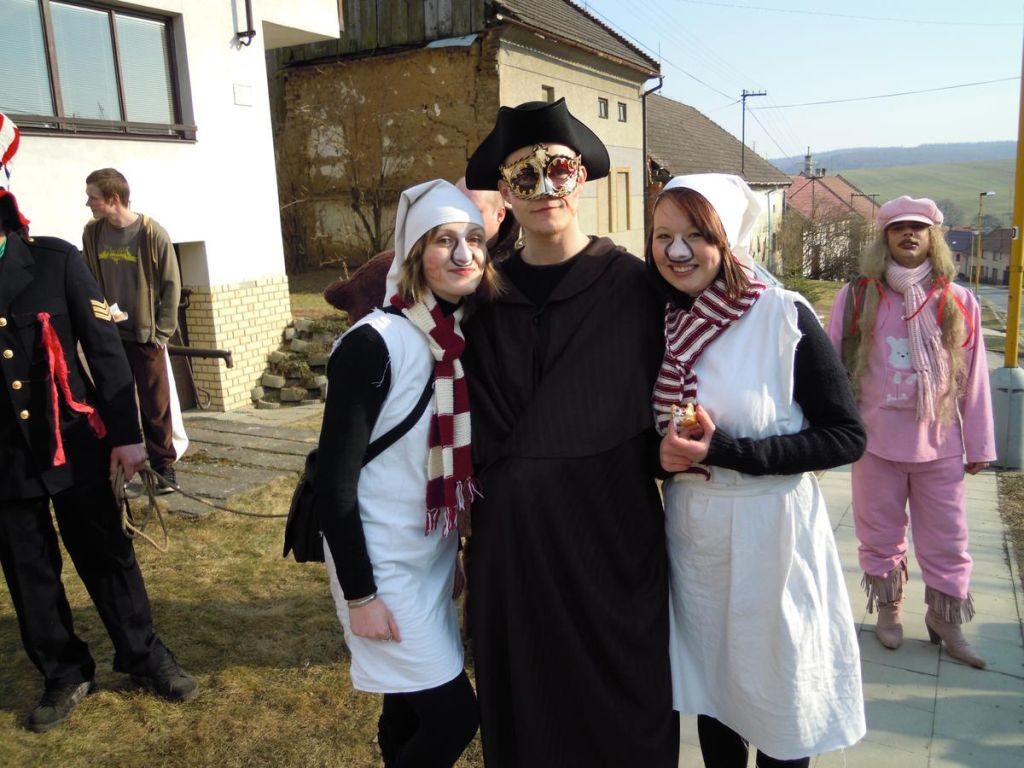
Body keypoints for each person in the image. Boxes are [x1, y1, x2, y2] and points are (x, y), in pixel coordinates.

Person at [460, 98, 676, 767]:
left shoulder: (635, 287)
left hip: (609, 535)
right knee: (528, 702)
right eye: (523, 176)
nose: (544, 188)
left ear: (580, 178)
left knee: (625, 704)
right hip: (514, 546)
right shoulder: (481, 298)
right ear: (504, 193)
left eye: (557, 170)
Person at [652, 174, 867, 767]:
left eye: (696, 234)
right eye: (663, 235)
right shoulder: (663, 322)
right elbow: (648, 432)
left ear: (727, 240)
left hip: (772, 536)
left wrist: (730, 452)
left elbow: (846, 436)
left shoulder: (781, 315)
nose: (677, 251)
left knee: (781, 698)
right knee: (716, 694)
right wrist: (661, 456)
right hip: (697, 538)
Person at [0, 113, 196, 734]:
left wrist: (130, 437)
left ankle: (142, 653)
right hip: (5, 459)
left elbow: (106, 353)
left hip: (75, 442)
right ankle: (64, 670)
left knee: (108, 554)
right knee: (28, 571)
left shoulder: (54, 260)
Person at [314, 179, 500, 767]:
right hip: (381, 566)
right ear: (415, 254)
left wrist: (451, 555)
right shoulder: (374, 344)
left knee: (406, 710)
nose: (464, 254)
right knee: (453, 717)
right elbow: (334, 484)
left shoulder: (455, 337)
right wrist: (361, 593)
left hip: (429, 558)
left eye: (474, 239)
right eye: (444, 240)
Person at [826, 196, 995, 668]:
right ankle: (889, 608)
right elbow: (830, 368)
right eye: (899, 227)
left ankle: (946, 618)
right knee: (879, 535)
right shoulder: (857, 297)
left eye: (918, 228)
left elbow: (975, 377)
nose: (909, 234)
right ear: (885, 237)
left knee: (948, 540)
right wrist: (828, 433)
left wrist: (980, 444)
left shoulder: (958, 301)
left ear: (933, 237)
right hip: (875, 444)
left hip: (939, 445)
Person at [81, 168, 181, 493]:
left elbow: (171, 286)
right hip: (109, 336)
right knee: (114, 401)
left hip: (145, 336)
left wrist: (161, 333)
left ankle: (163, 468)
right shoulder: (92, 233)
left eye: (92, 197)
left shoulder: (152, 234)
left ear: (113, 199)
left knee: (155, 405)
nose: (88, 203)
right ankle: (121, 467)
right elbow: (88, 281)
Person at [324, 177, 518, 324]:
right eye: (444, 240)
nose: (463, 255)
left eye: (473, 211)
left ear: (500, 214)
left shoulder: (515, 268)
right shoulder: (380, 334)